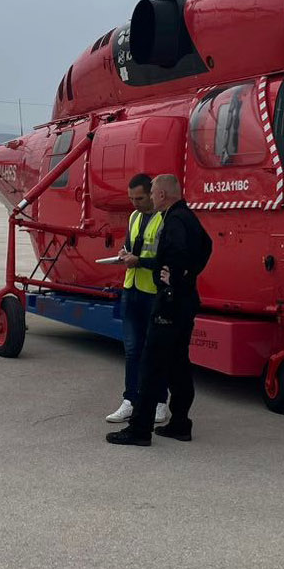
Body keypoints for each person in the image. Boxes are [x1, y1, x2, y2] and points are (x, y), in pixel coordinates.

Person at [107, 173, 212, 446]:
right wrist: (191, 275)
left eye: (152, 193)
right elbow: (206, 245)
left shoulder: (174, 220)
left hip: (169, 304)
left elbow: (176, 255)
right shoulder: (188, 216)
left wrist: (173, 280)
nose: (151, 198)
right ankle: (180, 423)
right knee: (178, 365)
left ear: (162, 195)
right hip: (185, 301)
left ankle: (139, 429)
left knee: (151, 366)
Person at [105, 173, 169, 427]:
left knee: (155, 350)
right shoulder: (133, 217)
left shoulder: (165, 219)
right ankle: (130, 400)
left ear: (152, 194)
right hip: (131, 290)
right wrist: (124, 253)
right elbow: (131, 245)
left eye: (140, 198)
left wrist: (139, 261)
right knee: (132, 351)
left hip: (153, 293)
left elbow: (166, 257)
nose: (135, 203)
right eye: (131, 198)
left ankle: (160, 402)